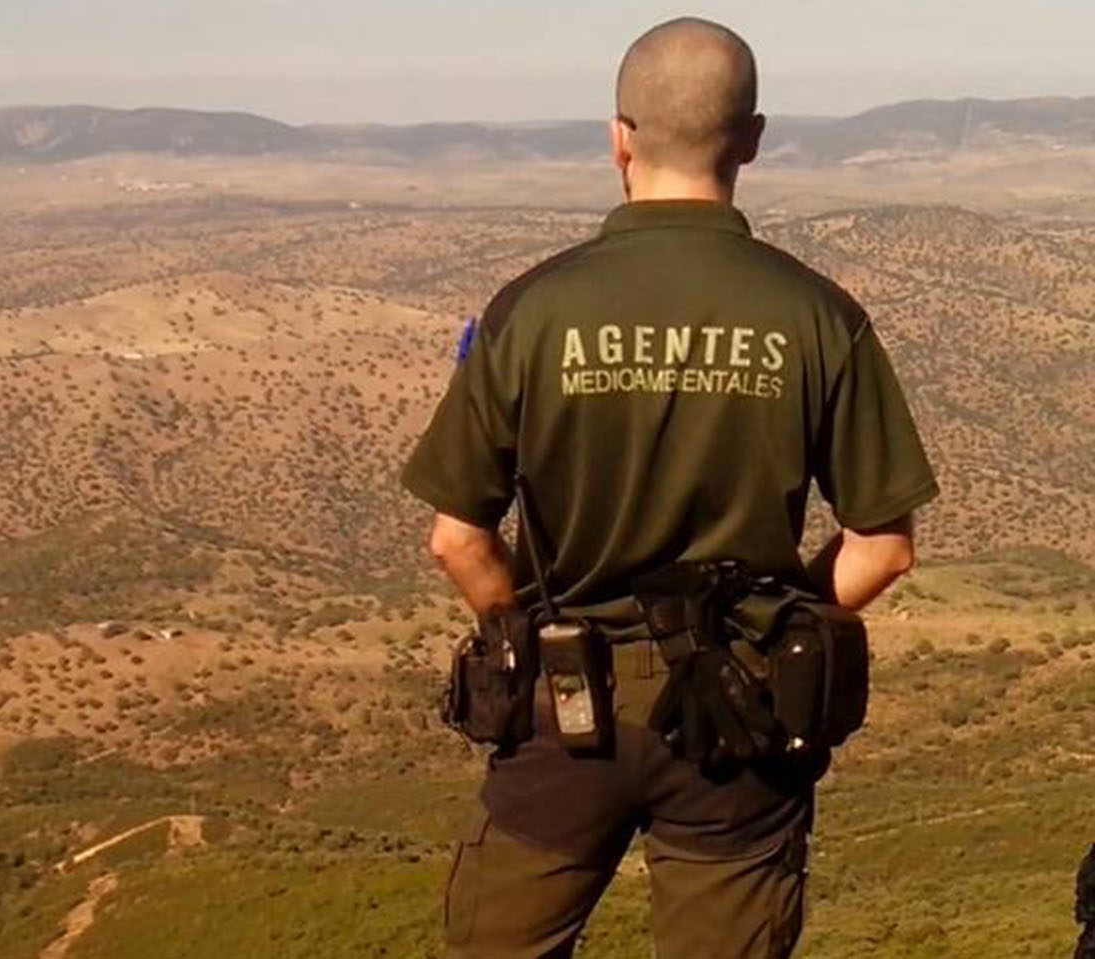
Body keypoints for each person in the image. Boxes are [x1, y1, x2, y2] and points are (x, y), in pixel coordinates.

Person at [400, 16, 938, 959]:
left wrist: (518, 630)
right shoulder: (817, 315)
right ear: (754, 139)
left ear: (618, 135)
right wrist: (775, 620)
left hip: (565, 702)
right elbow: (881, 547)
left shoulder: (531, 311)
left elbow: (457, 538)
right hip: (738, 713)